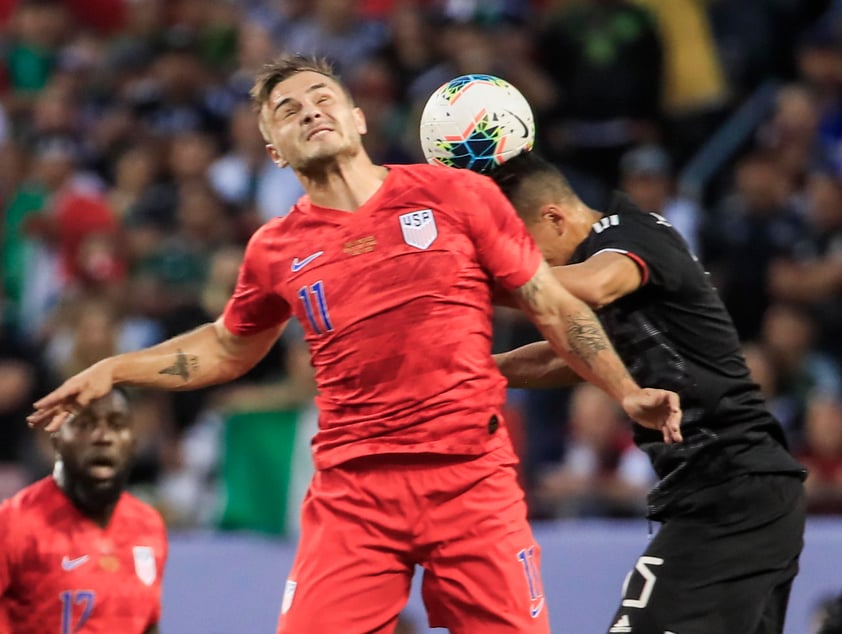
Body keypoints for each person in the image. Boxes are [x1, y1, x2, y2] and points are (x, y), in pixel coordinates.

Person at [28, 54, 682, 634]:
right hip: (353, 493)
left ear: (359, 118)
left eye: (323, 99)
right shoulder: (274, 249)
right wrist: (117, 367)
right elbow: (228, 347)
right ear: (274, 151)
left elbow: (552, 304)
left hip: (471, 477)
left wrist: (624, 389)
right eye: (288, 110)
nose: (310, 111)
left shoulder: (456, 195)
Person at [489, 151, 807, 634]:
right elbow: (568, 352)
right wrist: (478, 368)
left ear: (554, 218)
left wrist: (481, 280)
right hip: (736, 491)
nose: (533, 267)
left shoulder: (632, 234)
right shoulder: (617, 260)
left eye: (527, 249)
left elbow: (594, 285)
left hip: (731, 489)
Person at [1, 389, 167, 634]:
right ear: (55, 438)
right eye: (85, 424)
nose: (103, 436)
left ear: (132, 442)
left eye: (116, 424)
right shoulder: (14, 523)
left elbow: (148, 624)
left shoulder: (148, 524)